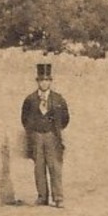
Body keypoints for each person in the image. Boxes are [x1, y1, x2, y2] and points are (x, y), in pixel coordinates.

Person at [20, 62, 71, 208]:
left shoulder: (58, 99)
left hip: (52, 136)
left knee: (55, 166)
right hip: (36, 136)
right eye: (41, 80)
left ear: (51, 81)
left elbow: (66, 118)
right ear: (37, 81)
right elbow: (24, 118)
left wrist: (55, 131)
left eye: (47, 80)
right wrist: (34, 131)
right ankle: (42, 197)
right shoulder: (30, 99)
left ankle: (58, 198)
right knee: (39, 167)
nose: (44, 83)